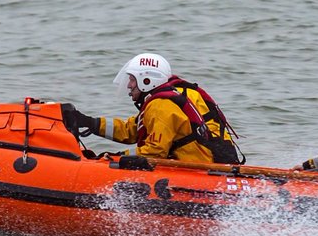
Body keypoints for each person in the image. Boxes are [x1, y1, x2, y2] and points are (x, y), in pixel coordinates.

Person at [67, 52, 242, 165]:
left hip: (198, 168)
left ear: (147, 80)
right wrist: (89, 122)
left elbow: (156, 150)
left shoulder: (161, 106)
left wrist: (116, 157)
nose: (128, 85)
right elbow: (132, 130)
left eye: (132, 80)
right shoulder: (166, 98)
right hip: (205, 162)